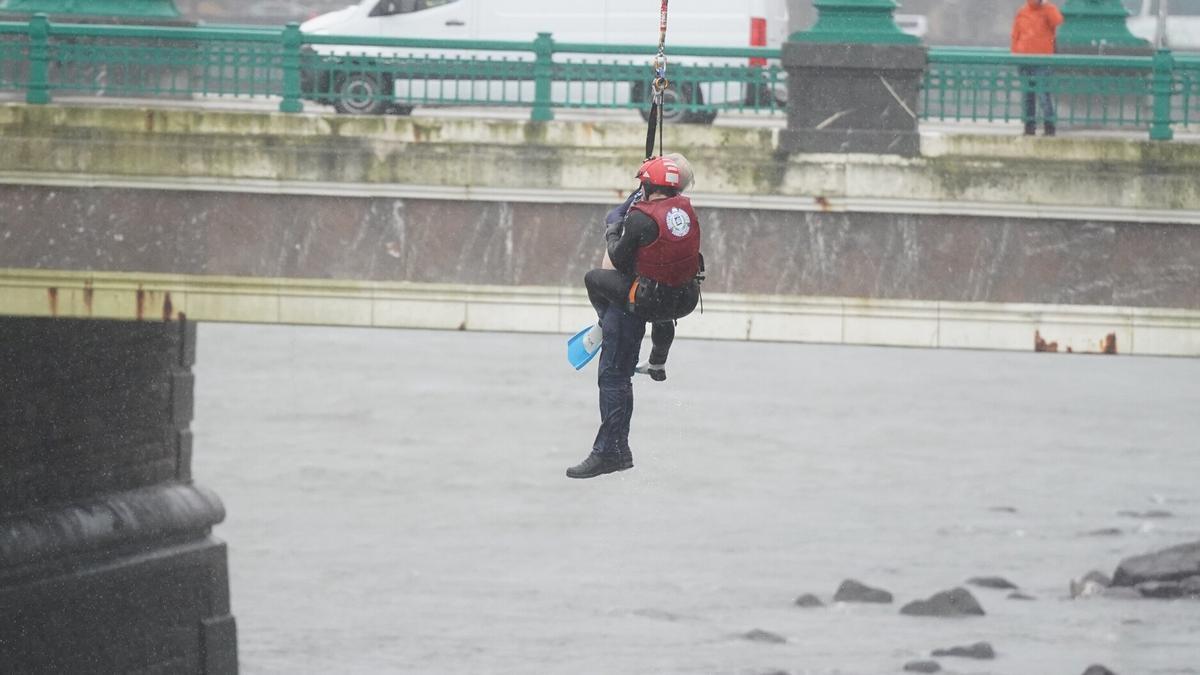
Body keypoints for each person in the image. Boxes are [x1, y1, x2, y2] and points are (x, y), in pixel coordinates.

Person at [566, 154, 705, 480]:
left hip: (644, 301)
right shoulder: (684, 208)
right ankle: (657, 362)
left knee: (614, 375)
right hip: (681, 298)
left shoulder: (640, 217)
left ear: (648, 186)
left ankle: (611, 452)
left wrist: (614, 230)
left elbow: (617, 254)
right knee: (629, 364)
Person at [1011, 0, 1064, 136]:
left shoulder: (1038, 10)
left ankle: (1033, 126)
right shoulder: (1025, 11)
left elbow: (1057, 21)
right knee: (1037, 94)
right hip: (1033, 58)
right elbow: (1016, 35)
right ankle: (1044, 126)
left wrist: (1015, 53)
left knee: (1034, 94)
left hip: (1035, 58)